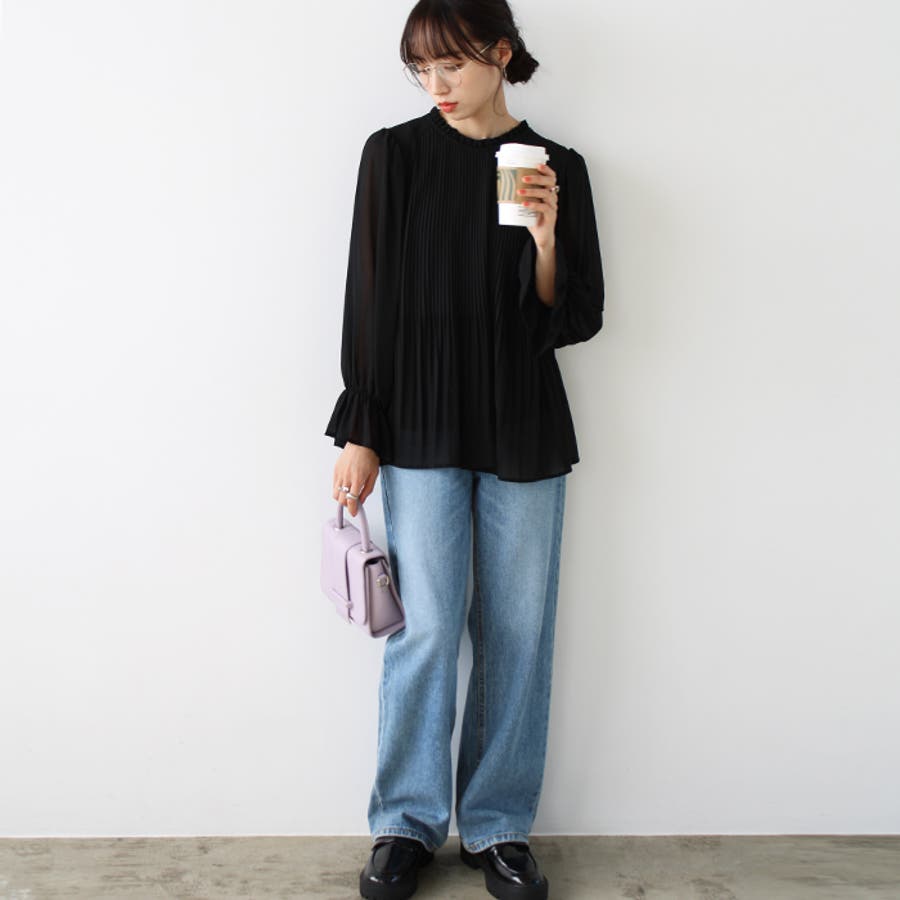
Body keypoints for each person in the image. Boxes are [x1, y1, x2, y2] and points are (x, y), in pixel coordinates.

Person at [324, 2, 605, 897]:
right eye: (421, 68)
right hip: (419, 420)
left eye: (450, 64)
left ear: (500, 53)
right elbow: (370, 298)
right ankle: (404, 823)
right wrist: (361, 427)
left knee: (518, 632)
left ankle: (497, 827)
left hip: (522, 418)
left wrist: (547, 241)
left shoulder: (556, 166)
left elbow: (575, 316)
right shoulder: (395, 156)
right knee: (428, 624)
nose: (435, 84)